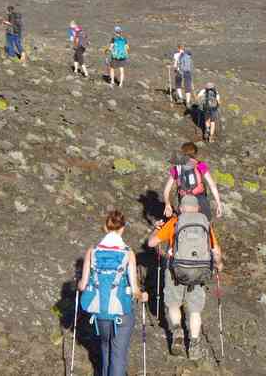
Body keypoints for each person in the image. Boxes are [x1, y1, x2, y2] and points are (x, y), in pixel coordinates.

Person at [147, 195, 223, 359]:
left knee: (173, 304)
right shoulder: (205, 224)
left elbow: (151, 243)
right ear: (197, 208)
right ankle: (194, 346)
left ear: (181, 208)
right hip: (199, 272)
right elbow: (215, 250)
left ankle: (177, 331)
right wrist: (218, 264)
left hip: (176, 270)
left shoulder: (175, 222)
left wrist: (157, 228)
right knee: (195, 310)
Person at [77, 209, 148, 376]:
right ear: (122, 228)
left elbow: (82, 286)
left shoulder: (92, 251)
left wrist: (80, 284)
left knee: (105, 349)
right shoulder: (128, 253)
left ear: (105, 227)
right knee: (118, 355)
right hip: (121, 312)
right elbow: (135, 290)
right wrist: (142, 295)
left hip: (100, 312)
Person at [163, 141, 224, 222]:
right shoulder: (200, 165)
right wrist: (219, 204)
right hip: (201, 202)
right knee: (207, 224)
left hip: (184, 203)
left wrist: (167, 204)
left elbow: (166, 191)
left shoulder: (176, 169)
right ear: (195, 153)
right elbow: (212, 185)